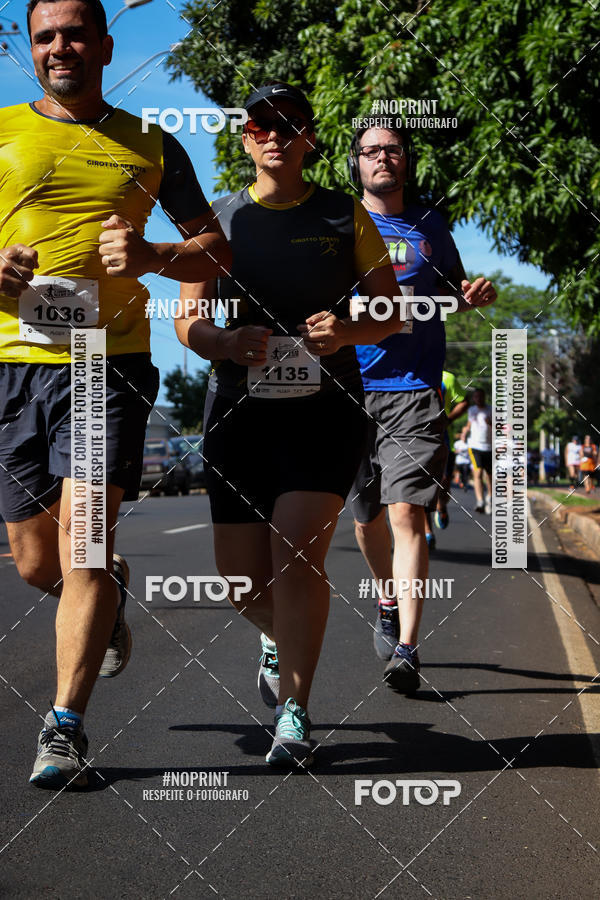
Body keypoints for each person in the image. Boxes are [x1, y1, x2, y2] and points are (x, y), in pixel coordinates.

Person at [0, 0, 230, 790]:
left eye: (74, 33)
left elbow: (215, 250)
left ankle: (64, 727)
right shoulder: (2, 130)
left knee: (85, 540)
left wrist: (155, 254)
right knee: (36, 561)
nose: (59, 46)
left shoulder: (152, 142)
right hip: (13, 363)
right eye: (44, 36)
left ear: (103, 45)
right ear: (32, 49)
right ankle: (109, 595)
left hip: (108, 360)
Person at [175, 83, 401, 767]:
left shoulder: (343, 214)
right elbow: (188, 320)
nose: (274, 134)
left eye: (289, 124)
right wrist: (223, 342)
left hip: (325, 409)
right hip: (238, 413)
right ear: (246, 138)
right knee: (240, 580)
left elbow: (390, 311)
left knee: (297, 553)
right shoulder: (219, 219)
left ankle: (295, 712)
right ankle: (278, 635)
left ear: (309, 138)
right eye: (260, 125)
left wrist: (348, 330)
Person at [347, 123, 497, 691]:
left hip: (413, 388)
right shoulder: (339, 222)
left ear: (406, 161)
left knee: (406, 513)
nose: (382, 158)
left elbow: (452, 294)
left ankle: (407, 649)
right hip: (349, 388)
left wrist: (471, 297)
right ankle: (386, 597)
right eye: (371, 151)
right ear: (357, 163)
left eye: (393, 150)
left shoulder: (431, 225)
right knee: (366, 519)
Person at [464, 388, 493, 514]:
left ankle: (490, 498)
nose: (478, 399)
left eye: (481, 396)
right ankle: (480, 501)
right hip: (475, 446)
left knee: (490, 475)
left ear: (485, 397)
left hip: (490, 447)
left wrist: (490, 423)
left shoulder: (492, 409)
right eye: (476, 397)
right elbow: (469, 424)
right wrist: (464, 432)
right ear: (474, 398)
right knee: (478, 472)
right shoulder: (471, 410)